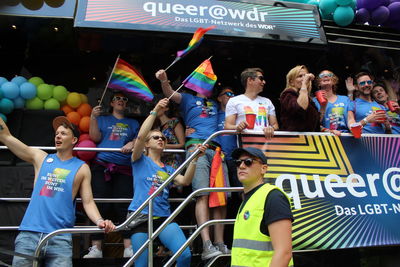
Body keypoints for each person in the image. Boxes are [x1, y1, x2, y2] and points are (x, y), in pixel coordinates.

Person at [0, 116, 115, 267]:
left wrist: (100, 221)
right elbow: (5, 136)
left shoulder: (81, 168)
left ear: (74, 140)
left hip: (59, 236)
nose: (58, 136)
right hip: (30, 233)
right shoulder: (40, 157)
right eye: (57, 134)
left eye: (63, 133)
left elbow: (88, 202)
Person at [155, 69, 228, 260]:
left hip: (217, 152)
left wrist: (226, 98)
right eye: (207, 80)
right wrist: (164, 80)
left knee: (220, 198)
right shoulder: (187, 99)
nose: (210, 84)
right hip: (197, 149)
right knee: (202, 195)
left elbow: (230, 118)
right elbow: (170, 93)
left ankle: (219, 243)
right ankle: (206, 245)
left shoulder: (216, 103)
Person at [128, 98, 206, 267]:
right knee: (141, 264)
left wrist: (195, 160)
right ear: (147, 144)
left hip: (163, 216)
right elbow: (141, 136)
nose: (161, 139)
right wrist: (155, 110)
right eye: (156, 137)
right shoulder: (139, 160)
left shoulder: (168, 169)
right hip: (140, 217)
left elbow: (185, 181)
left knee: (184, 255)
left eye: (163, 138)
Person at [85, 91, 139, 258]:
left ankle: (128, 247)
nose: (121, 101)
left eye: (124, 99)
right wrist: (93, 117)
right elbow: (94, 138)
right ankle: (96, 248)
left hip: (124, 168)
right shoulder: (102, 119)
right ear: (111, 103)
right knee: (100, 204)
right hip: (102, 166)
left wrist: (133, 142)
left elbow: (141, 138)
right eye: (117, 98)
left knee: (124, 205)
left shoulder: (133, 122)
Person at [230, 147, 293, 267]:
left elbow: (284, 253)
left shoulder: (273, 197)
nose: (242, 166)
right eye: (238, 163)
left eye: (248, 162)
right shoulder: (248, 200)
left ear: (264, 168)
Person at [225, 68, 278, 139]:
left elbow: (275, 125)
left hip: (266, 145)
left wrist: (271, 128)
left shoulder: (267, 101)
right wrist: (238, 127)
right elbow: (227, 126)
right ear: (250, 80)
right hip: (245, 146)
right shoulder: (234, 101)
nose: (264, 82)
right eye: (261, 79)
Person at [313, 70, 354, 135]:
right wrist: (329, 131)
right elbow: (314, 124)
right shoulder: (313, 101)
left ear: (334, 81)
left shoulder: (345, 99)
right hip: (325, 138)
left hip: (345, 136)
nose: (326, 76)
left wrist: (354, 129)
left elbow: (351, 119)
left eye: (329, 75)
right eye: (322, 76)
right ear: (319, 83)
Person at [280, 65, 320, 132]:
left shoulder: (307, 98)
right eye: (300, 76)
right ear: (291, 82)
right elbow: (300, 108)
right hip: (294, 140)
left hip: (308, 139)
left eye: (305, 76)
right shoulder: (288, 94)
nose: (304, 78)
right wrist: (304, 84)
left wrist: (323, 107)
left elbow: (315, 122)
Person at [155, 100, 185, 170]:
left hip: (173, 160)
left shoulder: (174, 123)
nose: (155, 109)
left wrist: (163, 145)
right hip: (161, 159)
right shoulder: (158, 127)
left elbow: (182, 144)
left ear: (166, 108)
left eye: (158, 107)